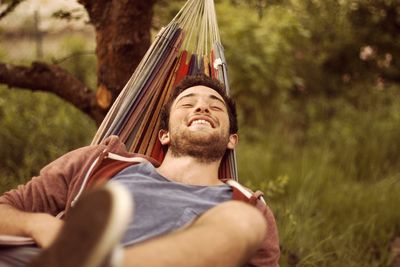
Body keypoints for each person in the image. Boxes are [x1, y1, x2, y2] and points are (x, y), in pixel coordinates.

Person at [0, 75, 280, 267]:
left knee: (245, 221)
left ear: (232, 139)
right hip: (41, 259)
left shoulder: (243, 205)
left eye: (215, 106)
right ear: (164, 135)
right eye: (187, 103)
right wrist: (39, 225)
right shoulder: (99, 162)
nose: (202, 106)